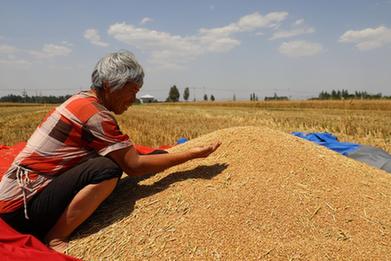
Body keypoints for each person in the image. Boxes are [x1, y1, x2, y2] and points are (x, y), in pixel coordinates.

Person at [0, 50, 221, 252]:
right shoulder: (95, 114)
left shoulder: (82, 100)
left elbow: (127, 152)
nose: (133, 100)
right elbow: (132, 166)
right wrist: (191, 155)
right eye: (131, 91)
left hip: (19, 200)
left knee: (111, 162)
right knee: (107, 169)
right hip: (20, 209)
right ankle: (56, 237)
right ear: (108, 85)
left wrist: (163, 155)